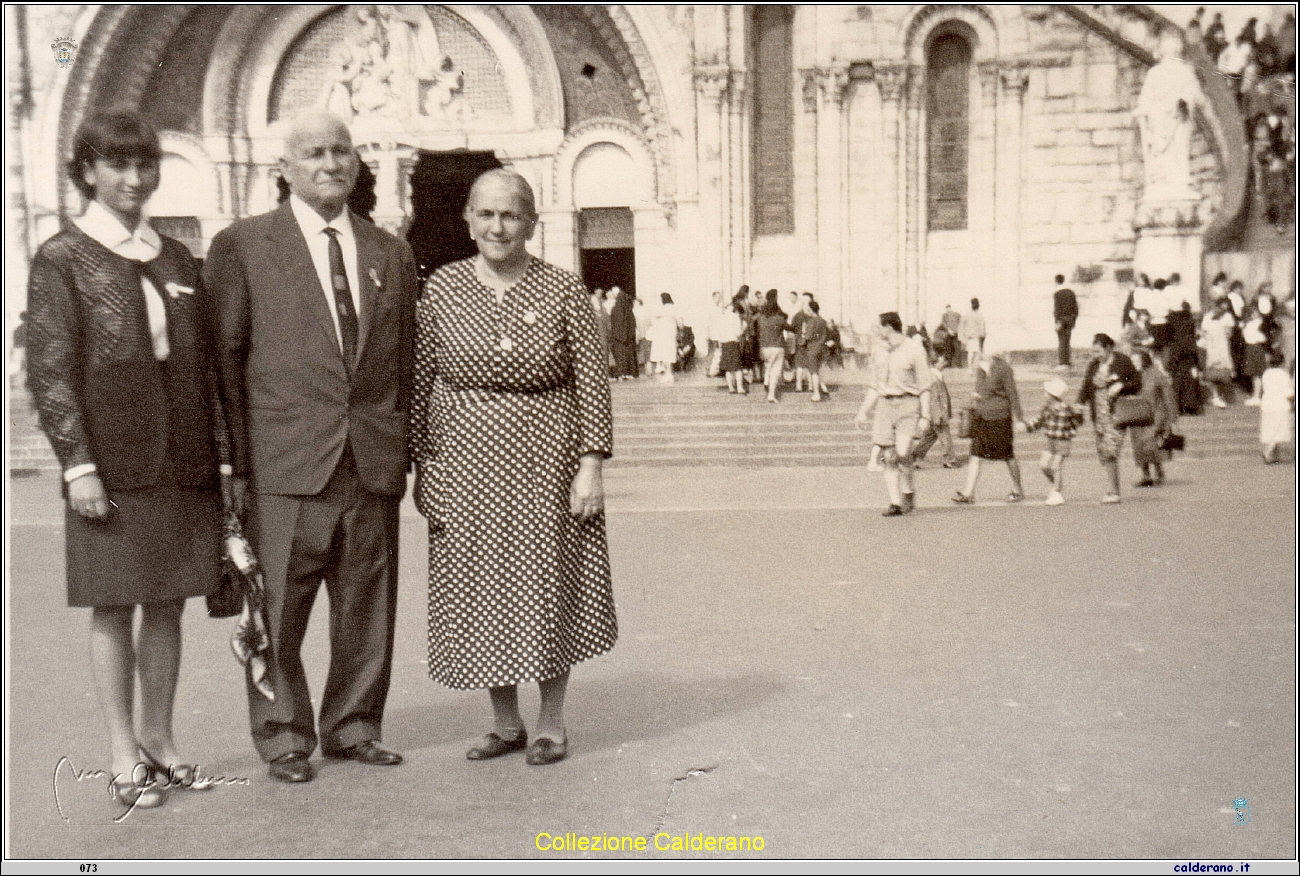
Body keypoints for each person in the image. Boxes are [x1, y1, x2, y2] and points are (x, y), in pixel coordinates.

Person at [207, 110, 417, 783]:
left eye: (341, 152)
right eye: (314, 153)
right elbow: (224, 362)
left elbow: (404, 363)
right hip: (284, 462)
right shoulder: (243, 246)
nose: (331, 163)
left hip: (370, 459)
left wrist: (401, 446)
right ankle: (283, 733)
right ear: (284, 169)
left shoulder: (389, 251)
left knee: (367, 604)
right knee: (277, 611)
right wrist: (234, 463)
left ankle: (354, 725)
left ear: (358, 163)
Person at [26, 110, 225, 808]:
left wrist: (218, 460)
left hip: (181, 461)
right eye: (117, 165)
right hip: (110, 465)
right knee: (113, 608)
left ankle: (162, 741)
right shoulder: (62, 257)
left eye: (144, 165)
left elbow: (200, 367)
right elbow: (49, 369)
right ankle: (121, 754)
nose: (134, 178)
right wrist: (78, 464)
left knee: (167, 604)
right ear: (87, 171)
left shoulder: (173, 256)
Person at [410, 168, 616, 766]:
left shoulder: (562, 288)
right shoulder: (443, 288)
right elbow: (422, 379)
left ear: (531, 222)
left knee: (547, 583)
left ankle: (551, 722)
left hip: (547, 459)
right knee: (480, 588)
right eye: (487, 215)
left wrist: (591, 463)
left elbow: (592, 383)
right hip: (465, 461)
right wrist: (426, 463)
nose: (498, 226)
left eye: (511, 215)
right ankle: (504, 722)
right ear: (468, 221)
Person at [855, 312, 933, 516]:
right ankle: (895, 502)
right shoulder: (878, 351)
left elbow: (925, 385)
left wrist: (925, 415)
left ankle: (908, 491)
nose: (876, 331)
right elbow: (874, 385)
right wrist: (863, 411)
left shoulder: (914, 349)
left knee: (903, 452)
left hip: (908, 403)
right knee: (888, 456)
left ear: (889, 327)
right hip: (885, 406)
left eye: (878, 327)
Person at [952, 344, 1026, 504]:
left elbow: (1012, 393)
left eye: (983, 351)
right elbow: (980, 390)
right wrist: (976, 396)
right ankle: (968, 492)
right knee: (976, 454)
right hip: (982, 417)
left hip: (1000, 417)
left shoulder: (1004, 368)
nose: (980, 354)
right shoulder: (980, 368)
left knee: (1007, 455)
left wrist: (1019, 418)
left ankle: (1018, 489)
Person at [1078, 333, 1141, 504]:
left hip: (1116, 413)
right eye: (1093, 352)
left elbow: (1137, 382)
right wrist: (1080, 404)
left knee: (1110, 450)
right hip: (1098, 414)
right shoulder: (1093, 365)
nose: (1096, 355)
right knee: (1104, 454)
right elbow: (1086, 386)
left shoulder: (1122, 361)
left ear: (1108, 348)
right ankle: (1113, 488)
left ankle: (1114, 492)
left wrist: (1121, 385)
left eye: (1098, 351)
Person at [1024, 377, 1084, 506]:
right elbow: (1039, 421)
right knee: (1043, 465)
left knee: (1056, 466)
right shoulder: (1047, 408)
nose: (1044, 394)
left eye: (1046, 392)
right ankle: (1056, 484)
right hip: (1051, 440)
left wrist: (1079, 415)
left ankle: (1057, 492)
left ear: (1052, 395)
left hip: (1063, 441)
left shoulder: (1066, 408)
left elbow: (1077, 422)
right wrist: (1028, 426)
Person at [1130, 350, 1176, 486]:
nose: (1134, 364)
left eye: (1136, 361)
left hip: (1155, 415)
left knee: (1152, 444)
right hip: (1137, 416)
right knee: (1139, 445)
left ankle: (1158, 471)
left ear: (1144, 360)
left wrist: (1172, 418)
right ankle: (1145, 475)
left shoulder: (1156, 374)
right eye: (1132, 361)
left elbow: (1168, 396)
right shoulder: (1133, 376)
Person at [912, 352, 957, 469]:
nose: (945, 363)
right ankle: (949, 459)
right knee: (945, 436)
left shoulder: (936, 375)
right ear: (935, 362)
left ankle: (914, 457)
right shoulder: (933, 377)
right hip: (937, 413)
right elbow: (933, 398)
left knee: (929, 437)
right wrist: (939, 415)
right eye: (942, 361)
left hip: (935, 413)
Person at [1200, 296, 1236, 408]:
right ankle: (1215, 396)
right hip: (1211, 346)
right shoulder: (1208, 317)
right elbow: (1204, 332)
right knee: (1212, 370)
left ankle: (1220, 395)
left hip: (1222, 346)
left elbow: (1229, 333)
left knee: (1222, 370)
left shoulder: (1228, 316)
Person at [754, 289, 790, 403]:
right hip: (777, 347)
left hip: (764, 347)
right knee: (776, 371)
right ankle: (771, 394)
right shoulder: (780, 319)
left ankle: (766, 379)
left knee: (768, 365)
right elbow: (789, 327)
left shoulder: (761, 319)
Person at [1259, 349, 1294, 463]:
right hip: (1280, 405)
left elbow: (1264, 389)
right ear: (1282, 362)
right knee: (1279, 430)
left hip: (1267, 404)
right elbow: (1287, 391)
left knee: (1271, 429)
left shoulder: (1266, 373)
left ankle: (1275, 455)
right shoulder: (1283, 375)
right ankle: (1268, 451)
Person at [715, 297, 747, 394]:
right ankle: (740, 387)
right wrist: (743, 329)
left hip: (724, 343)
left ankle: (731, 388)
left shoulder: (721, 318)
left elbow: (718, 333)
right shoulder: (735, 317)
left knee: (728, 368)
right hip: (733, 343)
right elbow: (738, 333)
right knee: (737, 367)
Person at [799, 299, 830, 401]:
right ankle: (823, 388)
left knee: (814, 373)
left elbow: (807, 336)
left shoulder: (811, 322)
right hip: (822, 348)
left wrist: (803, 332)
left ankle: (816, 394)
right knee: (819, 370)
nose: (807, 311)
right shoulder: (822, 320)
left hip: (812, 348)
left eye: (808, 309)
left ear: (812, 310)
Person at [649, 292, 681, 382]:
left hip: (664, 335)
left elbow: (653, 314)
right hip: (672, 334)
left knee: (666, 355)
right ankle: (670, 374)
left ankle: (669, 375)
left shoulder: (663, 308)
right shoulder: (674, 308)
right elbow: (679, 321)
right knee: (670, 354)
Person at [609, 285, 637, 380]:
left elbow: (617, 322)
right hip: (628, 336)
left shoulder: (617, 307)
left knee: (621, 355)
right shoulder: (628, 307)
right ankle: (629, 372)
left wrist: (618, 335)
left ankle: (622, 373)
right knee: (628, 355)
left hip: (619, 337)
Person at [1053, 275, 1078, 369]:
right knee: (1067, 340)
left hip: (1061, 319)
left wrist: (1057, 321)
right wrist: (1074, 320)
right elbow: (1075, 308)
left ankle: (1062, 363)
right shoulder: (1071, 292)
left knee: (1061, 341)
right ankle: (1067, 362)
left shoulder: (1057, 293)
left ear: (1056, 281)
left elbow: (1057, 309)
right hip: (1070, 319)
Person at [960, 297, 986, 372]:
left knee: (970, 353)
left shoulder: (967, 315)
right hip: (976, 336)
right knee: (977, 352)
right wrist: (983, 334)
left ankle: (970, 368)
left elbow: (962, 325)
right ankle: (975, 368)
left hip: (970, 336)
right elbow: (982, 326)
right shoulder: (979, 315)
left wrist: (963, 337)